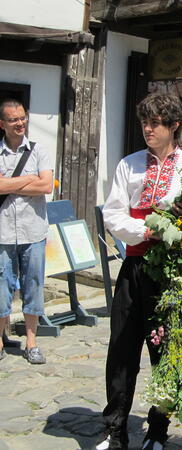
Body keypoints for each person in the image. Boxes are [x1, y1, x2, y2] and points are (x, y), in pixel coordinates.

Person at [97, 93, 182, 450]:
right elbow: (113, 214)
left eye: (156, 123)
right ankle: (115, 430)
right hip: (135, 264)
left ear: (174, 126)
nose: (148, 129)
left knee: (166, 351)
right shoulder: (129, 165)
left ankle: (157, 430)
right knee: (122, 347)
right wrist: (145, 231)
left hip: (173, 271)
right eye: (145, 122)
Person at [0, 99, 53, 366]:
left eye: (22, 118)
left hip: (33, 230)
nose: (20, 123)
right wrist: (28, 180)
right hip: (3, 231)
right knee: (1, 287)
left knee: (33, 286)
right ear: (2, 124)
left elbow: (46, 186)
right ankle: (0, 340)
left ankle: (31, 342)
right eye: (13, 120)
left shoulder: (38, 150)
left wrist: (8, 183)